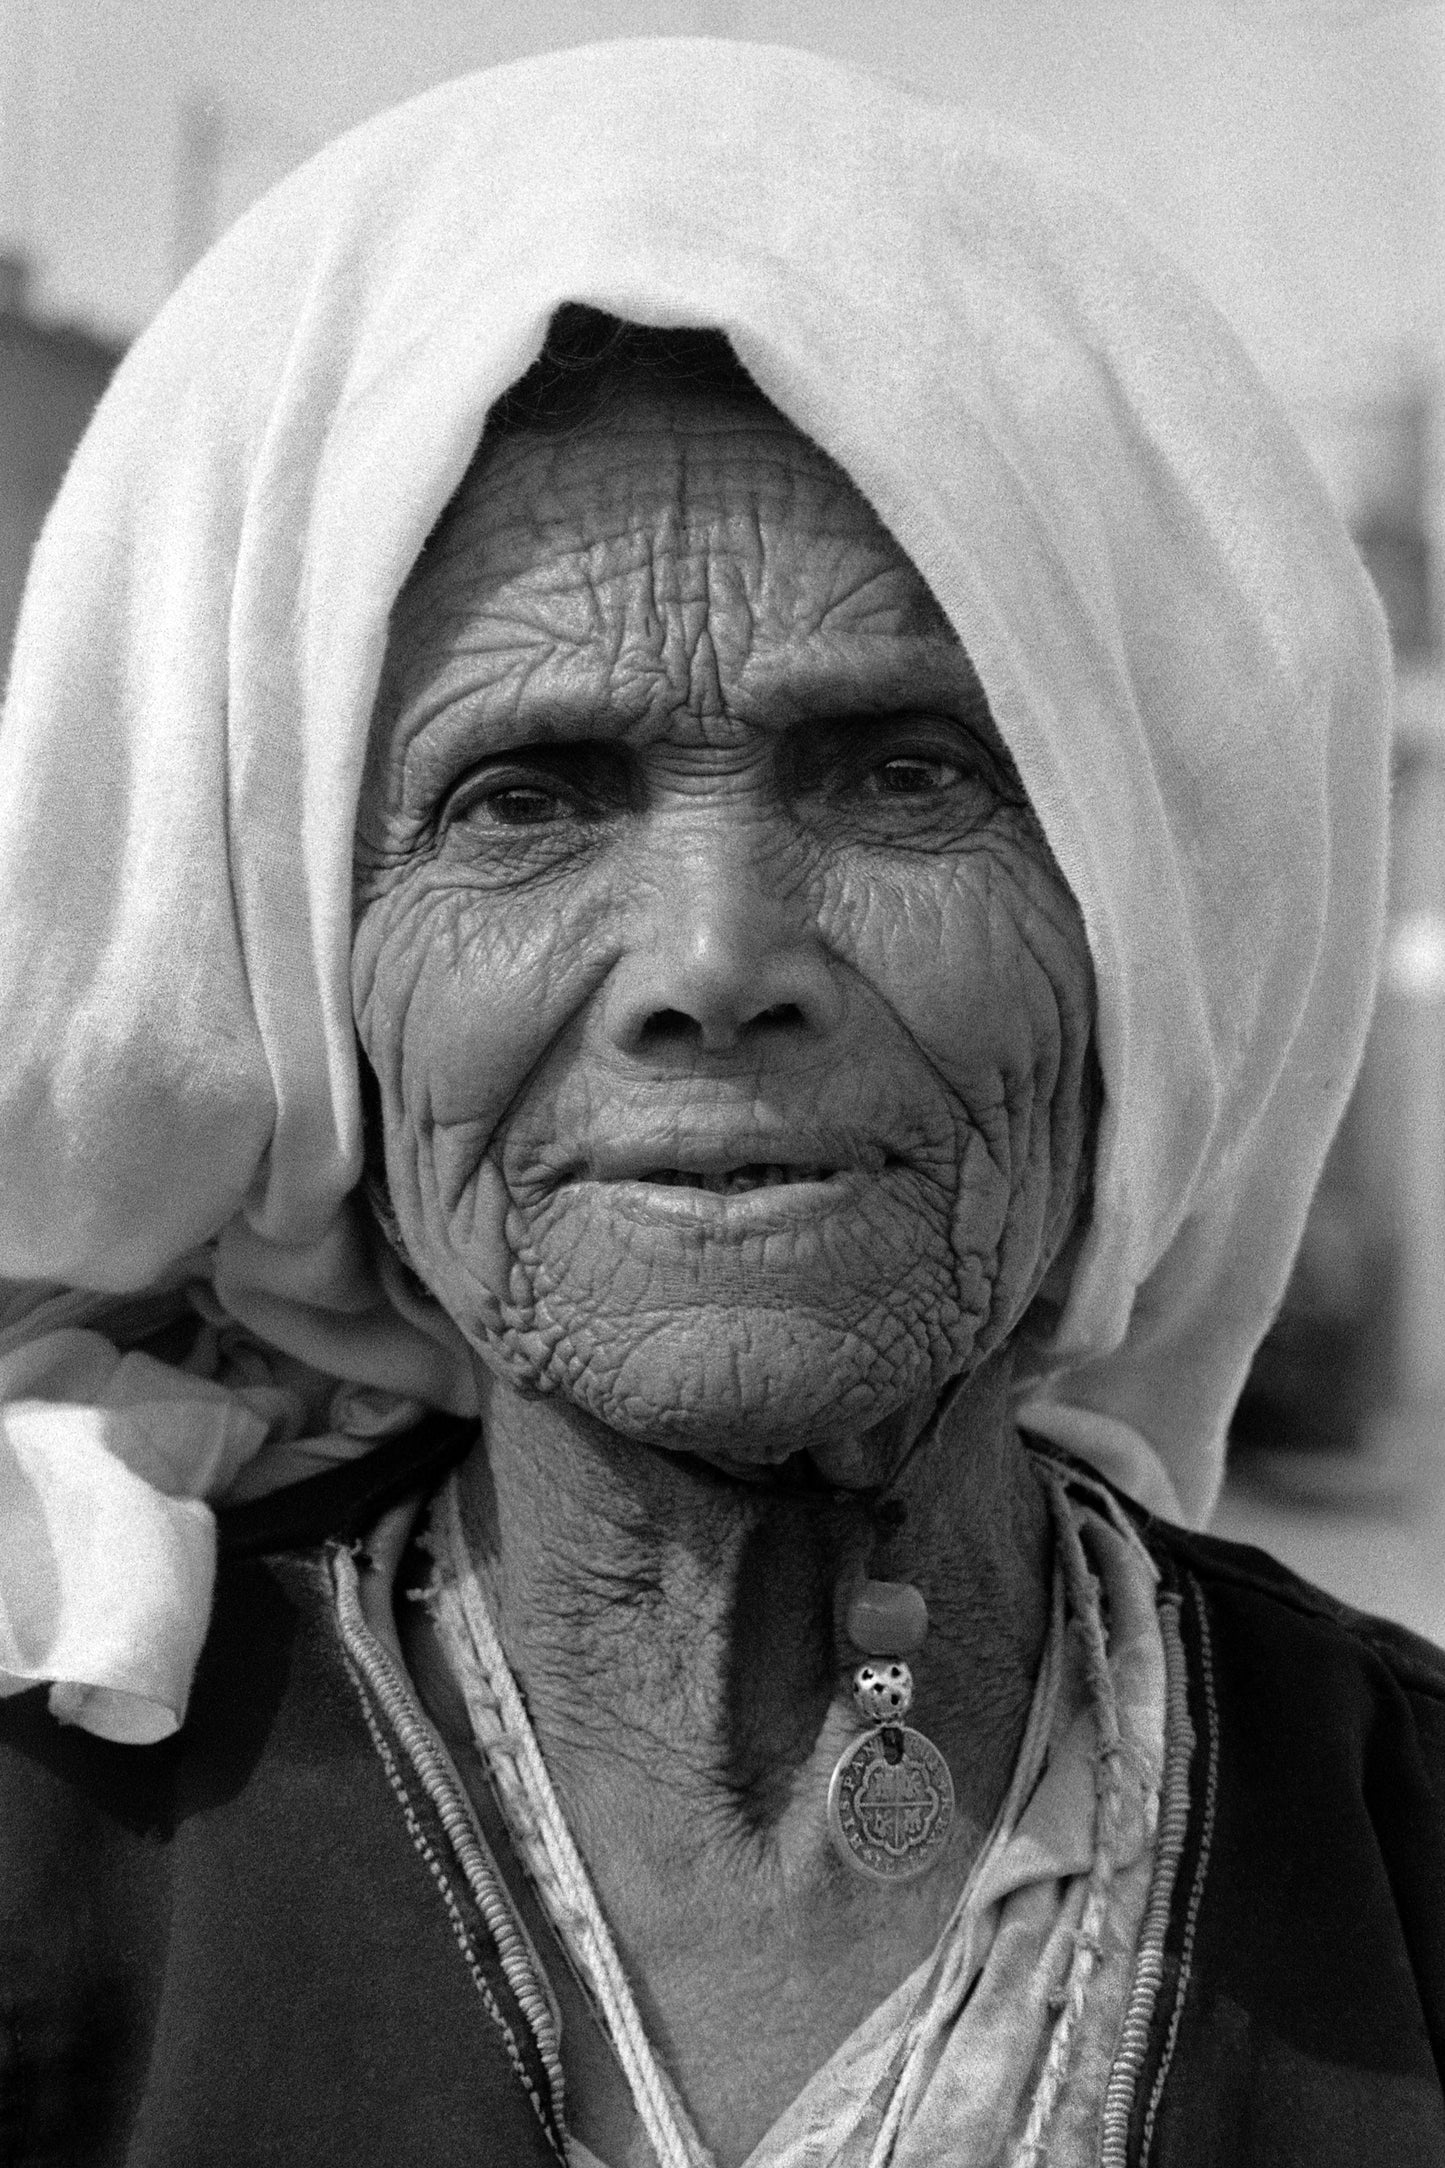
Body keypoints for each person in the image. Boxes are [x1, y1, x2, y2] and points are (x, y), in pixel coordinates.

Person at [0, 39, 1440, 2168]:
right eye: (521, 797)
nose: (708, 960)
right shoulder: (60, 1865)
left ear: (1157, 927)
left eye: (904, 774)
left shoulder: (1399, 1860)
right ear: (314, 981)